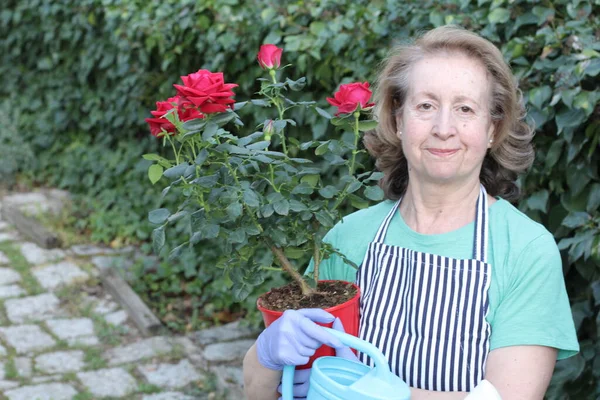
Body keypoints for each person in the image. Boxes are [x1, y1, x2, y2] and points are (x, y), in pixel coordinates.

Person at [243, 25, 579, 399]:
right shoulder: (347, 237)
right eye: (426, 106)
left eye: (465, 109)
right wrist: (265, 357)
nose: (443, 128)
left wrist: (388, 395)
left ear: (492, 129)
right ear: (399, 121)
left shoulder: (525, 250)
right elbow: (267, 393)